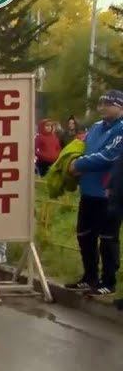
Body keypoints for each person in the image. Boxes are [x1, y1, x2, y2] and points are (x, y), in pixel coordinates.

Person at [68, 90, 123, 295]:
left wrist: (80, 164)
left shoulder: (121, 129)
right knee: (84, 235)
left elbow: (109, 156)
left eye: (108, 104)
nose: (103, 107)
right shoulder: (96, 127)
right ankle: (89, 276)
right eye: (101, 103)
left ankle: (108, 281)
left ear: (120, 107)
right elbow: (84, 148)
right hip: (89, 191)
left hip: (109, 193)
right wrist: (71, 161)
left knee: (108, 238)